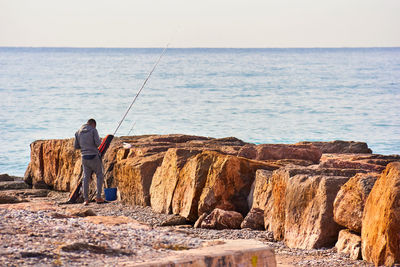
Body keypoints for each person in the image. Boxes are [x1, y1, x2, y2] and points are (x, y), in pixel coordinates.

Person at [74, 118, 105, 205]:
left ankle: (86, 199)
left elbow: (76, 146)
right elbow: (98, 143)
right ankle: (98, 197)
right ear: (93, 124)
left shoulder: (78, 132)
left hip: (84, 157)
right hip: (94, 156)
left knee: (86, 178)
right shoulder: (93, 130)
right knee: (99, 175)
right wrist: (100, 140)